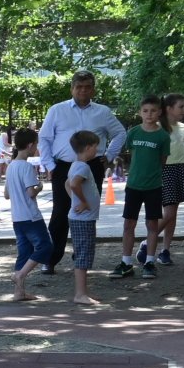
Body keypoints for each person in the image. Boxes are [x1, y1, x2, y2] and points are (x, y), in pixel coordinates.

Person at [36, 71, 127, 273]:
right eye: (79, 86)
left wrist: (110, 155)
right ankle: (50, 258)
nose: (83, 90)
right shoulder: (57, 110)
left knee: (87, 211)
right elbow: (44, 138)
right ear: (72, 88)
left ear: (93, 89)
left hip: (92, 166)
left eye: (87, 87)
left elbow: (120, 133)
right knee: (60, 213)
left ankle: (82, 256)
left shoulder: (102, 112)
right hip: (63, 167)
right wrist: (50, 165)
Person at [111, 95, 169, 279]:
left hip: (153, 186)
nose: (149, 114)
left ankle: (149, 262)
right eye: (145, 111)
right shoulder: (133, 133)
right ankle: (126, 262)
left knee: (152, 224)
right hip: (133, 186)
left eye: (153, 111)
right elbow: (133, 155)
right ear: (140, 113)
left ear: (159, 112)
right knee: (129, 224)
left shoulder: (162, 136)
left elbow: (162, 161)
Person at [5, 128, 49, 302]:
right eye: (36, 144)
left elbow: (7, 194)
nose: (37, 147)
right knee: (45, 246)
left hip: (17, 217)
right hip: (31, 216)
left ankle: (19, 292)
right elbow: (31, 192)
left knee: (24, 252)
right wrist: (40, 186)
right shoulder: (27, 167)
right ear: (30, 145)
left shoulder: (11, 167)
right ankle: (20, 275)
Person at [152, 94, 184, 261]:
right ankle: (148, 243)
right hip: (165, 170)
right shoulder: (157, 127)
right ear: (169, 108)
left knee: (174, 213)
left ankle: (165, 250)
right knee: (168, 213)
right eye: (181, 106)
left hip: (180, 168)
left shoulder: (182, 127)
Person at [65, 129, 102, 306]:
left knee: (83, 253)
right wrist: (83, 201)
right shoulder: (82, 167)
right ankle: (80, 294)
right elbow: (73, 183)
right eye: (95, 147)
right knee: (83, 255)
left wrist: (75, 199)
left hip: (82, 218)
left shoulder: (75, 165)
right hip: (83, 219)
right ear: (88, 147)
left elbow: (68, 184)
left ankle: (83, 291)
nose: (97, 150)